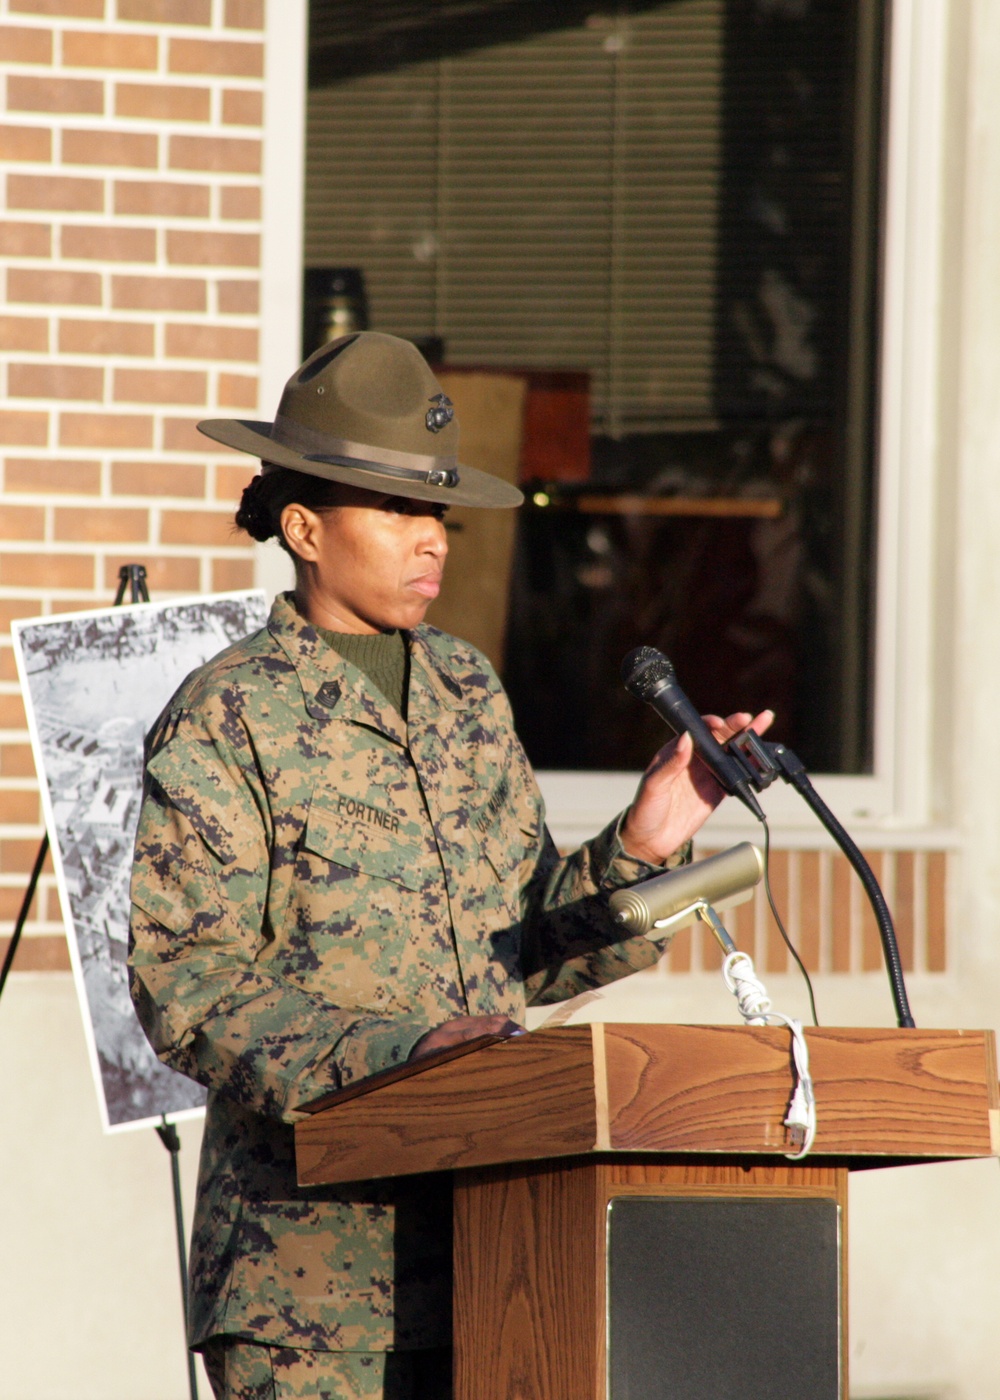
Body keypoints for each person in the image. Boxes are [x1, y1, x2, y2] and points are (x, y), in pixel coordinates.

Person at [129, 332, 769, 1400]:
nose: (431, 541)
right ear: (303, 527)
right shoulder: (227, 714)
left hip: (497, 1250)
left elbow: (523, 953)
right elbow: (185, 984)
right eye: (396, 510)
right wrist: (407, 1052)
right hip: (311, 1288)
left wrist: (645, 841)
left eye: (439, 515)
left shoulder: (468, 691)